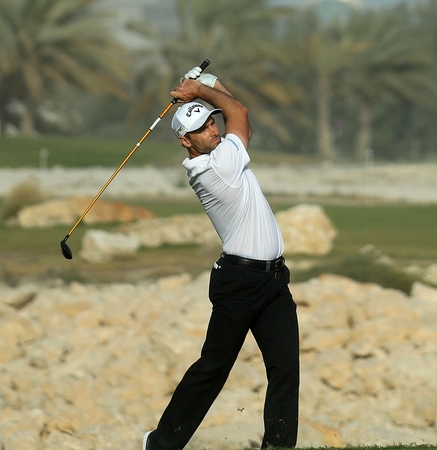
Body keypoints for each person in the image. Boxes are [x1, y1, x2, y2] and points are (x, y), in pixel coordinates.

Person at [142, 67, 300, 450]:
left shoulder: (224, 152)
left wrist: (209, 87)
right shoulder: (215, 168)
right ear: (186, 141)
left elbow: (234, 113)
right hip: (239, 284)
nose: (212, 131)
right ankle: (160, 444)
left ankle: (278, 446)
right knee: (213, 369)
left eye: (212, 123)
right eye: (202, 130)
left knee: (285, 369)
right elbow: (240, 113)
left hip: (273, 281)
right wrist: (201, 88)